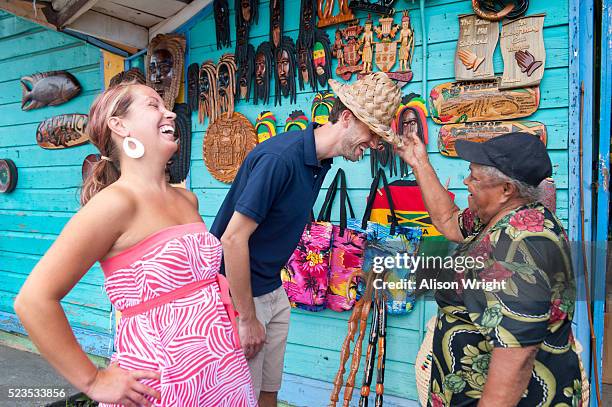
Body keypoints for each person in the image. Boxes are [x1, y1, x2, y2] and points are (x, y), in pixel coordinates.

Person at [14, 83, 256, 407]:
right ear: (119, 125)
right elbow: (33, 301)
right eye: (153, 105)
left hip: (222, 373)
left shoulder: (187, 198)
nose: (168, 111)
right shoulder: (115, 203)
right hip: (160, 385)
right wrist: (94, 380)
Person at [210, 72, 403, 406]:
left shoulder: (319, 162)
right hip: (241, 296)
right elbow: (232, 239)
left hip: (272, 289)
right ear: (346, 118)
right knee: (243, 398)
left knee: (269, 391)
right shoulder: (280, 159)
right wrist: (246, 318)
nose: (374, 144)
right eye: (372, 133)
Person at [396, 131, 582, 406]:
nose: (466, 181)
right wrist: (419, 162)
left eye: (474, 176)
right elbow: (448, 220)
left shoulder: (520, 244)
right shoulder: (501, 217)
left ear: (506, 189)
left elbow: (517, 356)